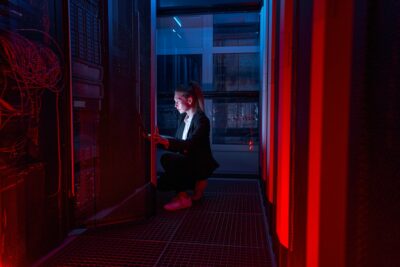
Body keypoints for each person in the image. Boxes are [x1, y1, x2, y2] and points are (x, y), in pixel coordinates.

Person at [150, 81, 219, 211]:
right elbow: (179, 143)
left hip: (197, 165)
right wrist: (158, 141)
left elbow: (190, 144)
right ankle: (185, 193)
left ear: (190, 100)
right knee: (161, 184)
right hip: (187, 162)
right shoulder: (184, 119)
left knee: (167, 159)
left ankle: (183, 198)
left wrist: (165, 142)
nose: (175, 105)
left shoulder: (202, 120)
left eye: (177, 100)